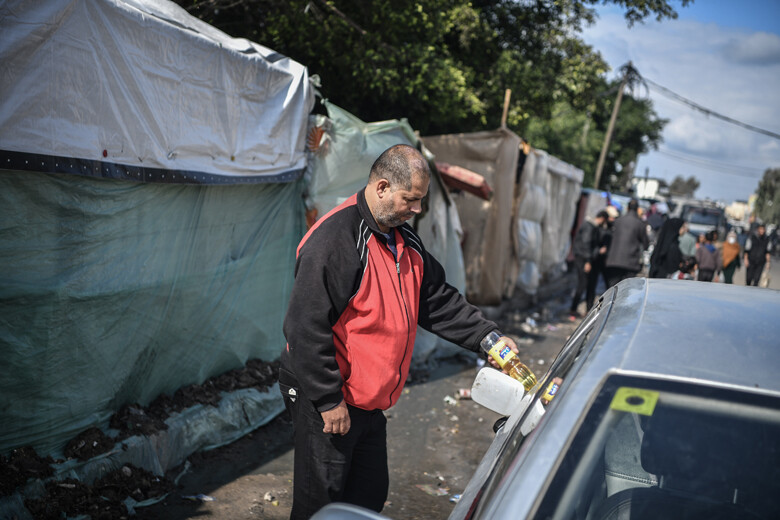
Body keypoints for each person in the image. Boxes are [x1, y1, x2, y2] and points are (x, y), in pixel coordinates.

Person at [279, 144, 519, 519]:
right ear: (382, 187)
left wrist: (489, 338)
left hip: (369, 403)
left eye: (421, 200)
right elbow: (304, 327)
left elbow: (438, 300)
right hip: (328, 396)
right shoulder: (335, 240)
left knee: (367, 498)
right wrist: (328, 400)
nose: (417, 209)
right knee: (320, 505)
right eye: (411, 199)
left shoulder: (404, 241)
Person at [569, 210, 609, 318]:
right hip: (583, 259)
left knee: (587, 285)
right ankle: (573, 310)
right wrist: (588, 261)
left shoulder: (590, 226)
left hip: (584, 258)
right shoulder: (590, 227)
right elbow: (586, 244)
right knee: (582, 284)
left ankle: (583, 310)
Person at [605, 199, 649, 287]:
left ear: (627, 208)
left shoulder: (617, 221)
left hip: (614, 260)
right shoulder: (640, 224)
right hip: (630, 263)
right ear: (637, 209)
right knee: (626, 291)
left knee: (612, 289)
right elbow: (645, 244)